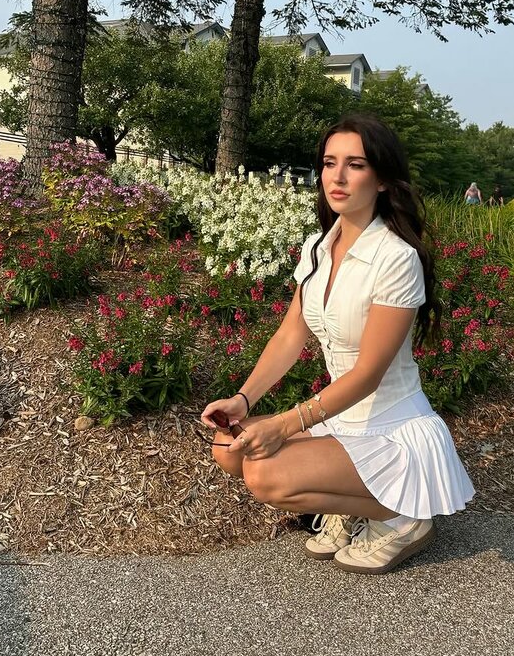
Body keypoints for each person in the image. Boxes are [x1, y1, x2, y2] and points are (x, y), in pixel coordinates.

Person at [200, 114, 475, 575]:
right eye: (330, 163)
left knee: (265, 474)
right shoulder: (317, 248)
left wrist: (284, 425)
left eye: (356, 165)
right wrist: (243, 400)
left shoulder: (396, 258)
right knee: (229, 448)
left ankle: (402, 518)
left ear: (382, 179)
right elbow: (290, 335)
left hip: (391, 427)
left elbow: (367, 375)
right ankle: (351, 505)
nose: (338, 177)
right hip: (339, 418)